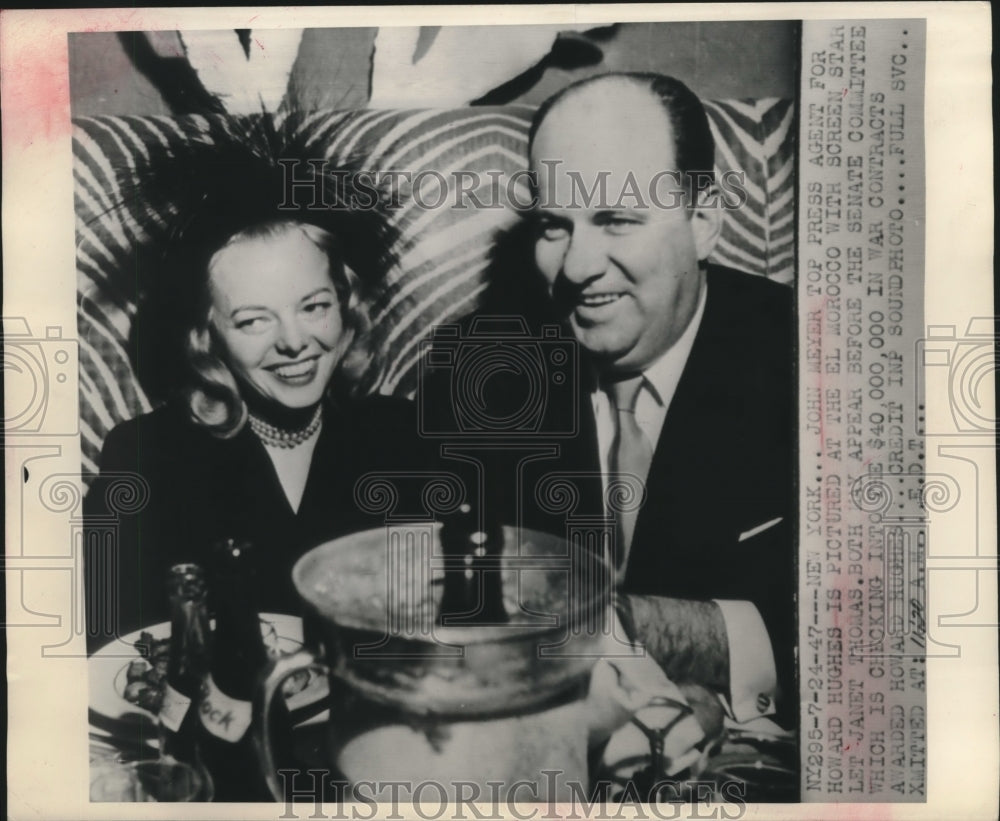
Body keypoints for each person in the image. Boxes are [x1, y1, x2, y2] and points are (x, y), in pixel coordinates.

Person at [421, 73, 794, 730]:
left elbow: (877, 633)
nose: (576, 267)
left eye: (616, 219)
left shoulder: (814, 361)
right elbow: (453, 611)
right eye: (554, 226)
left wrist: (651, 630)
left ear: (702, 222)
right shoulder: (479, 370)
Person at [84, 129, 427, 652]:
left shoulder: (402, 437)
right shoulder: (144, 457)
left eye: (314, 306)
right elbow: (113, 649)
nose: (294, 342)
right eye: (252, 321)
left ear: (345, 304)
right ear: (207, 334)